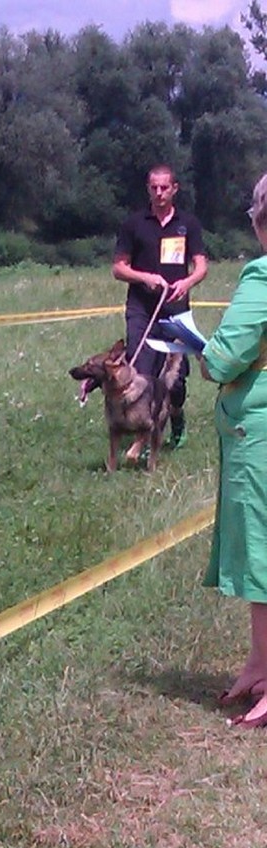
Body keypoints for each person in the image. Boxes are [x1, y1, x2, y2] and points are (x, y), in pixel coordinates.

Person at [200, 172, 267, 729]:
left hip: (260, 433)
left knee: (263, 550)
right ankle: (258, 663)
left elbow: (225, 358)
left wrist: (205, 356)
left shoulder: (262, 274)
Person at [113, 163, 207, 452]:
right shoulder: (134, 224)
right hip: (141, 309)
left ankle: (176, 419)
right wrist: (145, 278)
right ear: (148, 189)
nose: (159, 192)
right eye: (154, 187)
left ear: (174, 189)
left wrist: (187, 282)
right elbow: (118, 268)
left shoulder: (187, 223)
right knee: (141, 373)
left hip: (176, 311)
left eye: (164, 187)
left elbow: (201, 265)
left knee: (175, 381)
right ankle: (143, 436)